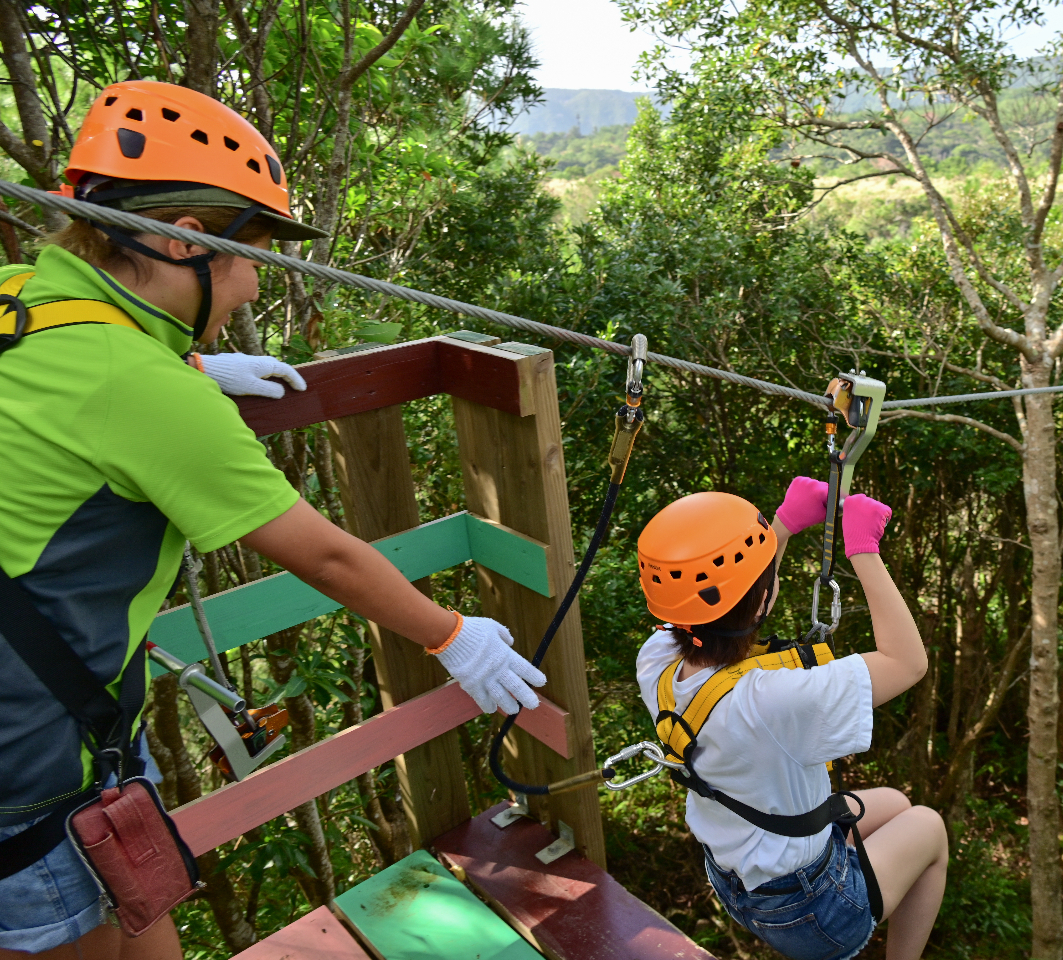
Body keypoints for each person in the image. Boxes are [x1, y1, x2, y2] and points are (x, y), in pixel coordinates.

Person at [0, 80, 544, 960]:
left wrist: (198, 366)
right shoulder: (143, 391)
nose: (258, 280)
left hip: (70, 730)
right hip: (29, 759)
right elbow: (325, 558)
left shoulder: (23, 295)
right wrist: (453, 637)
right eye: (253, 251)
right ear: (187, 240)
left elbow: (74, 387)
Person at [635, 478, 948, 960]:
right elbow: (909, 663)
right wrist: (864, 551)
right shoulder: (774, 700)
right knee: (928, 826)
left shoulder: (657, 662)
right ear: (763, 598)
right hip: (810, 912)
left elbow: (734, 603)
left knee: (896, 802)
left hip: (733, 875)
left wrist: (783, 525)